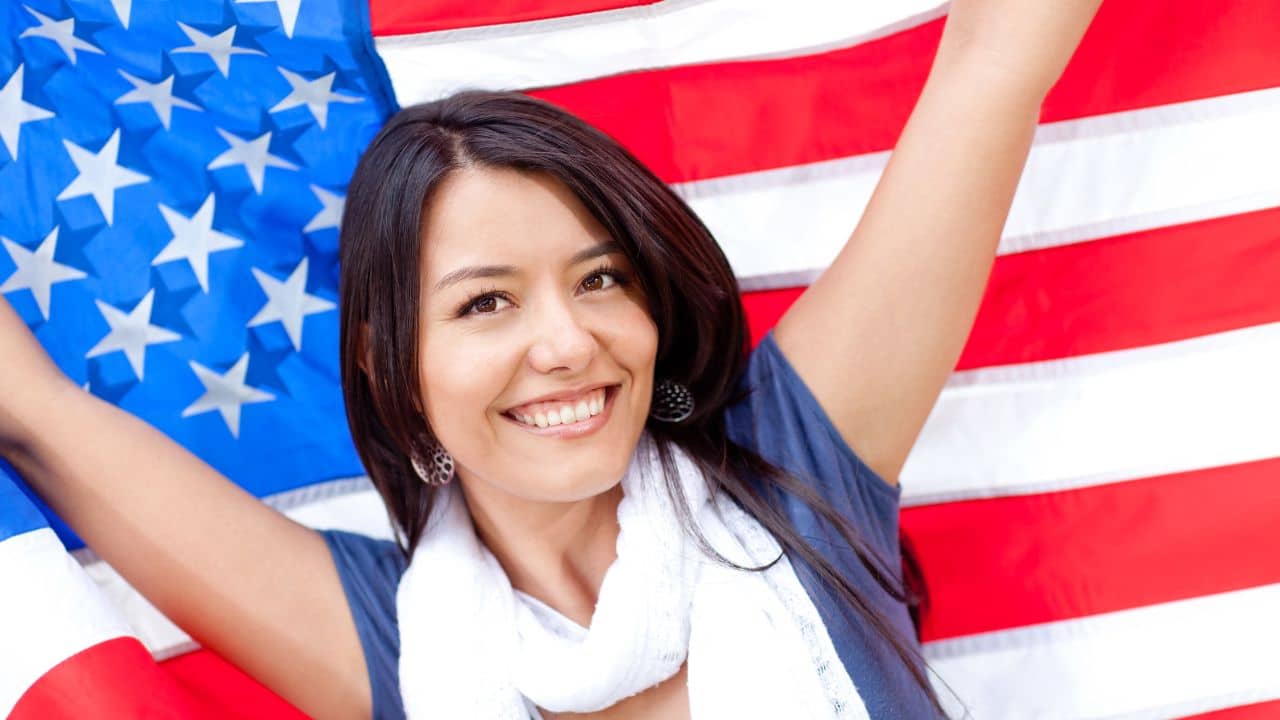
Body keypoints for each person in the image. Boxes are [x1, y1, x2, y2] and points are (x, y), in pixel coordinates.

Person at [0, 1, 1104, 718]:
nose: (565, 342)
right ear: (393, 366)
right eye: (486, 303)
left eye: (600, 279)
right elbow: (36, 412)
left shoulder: (796, 474)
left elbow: (992, 61)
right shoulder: (396, 643)